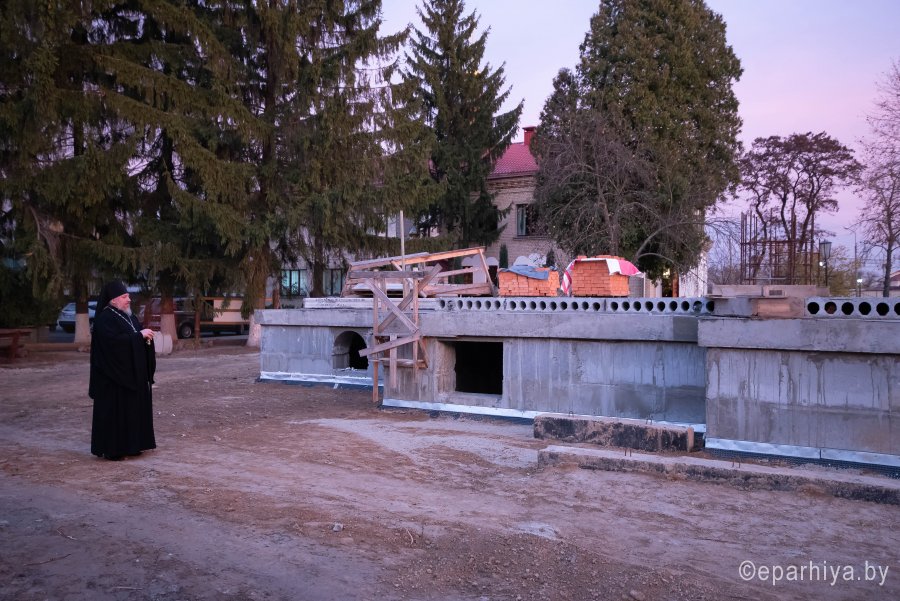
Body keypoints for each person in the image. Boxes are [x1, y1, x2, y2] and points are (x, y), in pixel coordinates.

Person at [89, 281, 157, 460]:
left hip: (131, 375)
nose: (129, 299)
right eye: (124, 296)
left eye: (128, 296)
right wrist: (138, 337)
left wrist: (145, 338)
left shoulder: (129, 316)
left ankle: (133, 445)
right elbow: (113, 345)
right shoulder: (105, 319)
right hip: (112, 378)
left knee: (132, 411)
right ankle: (114, 450)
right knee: (116, 414)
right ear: (113, 300)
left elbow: (134, 335)